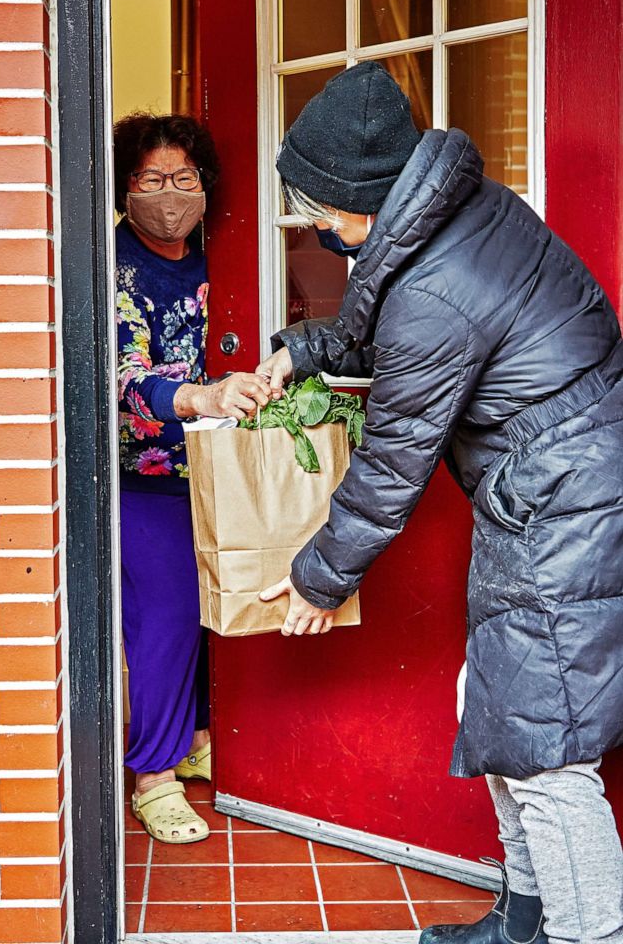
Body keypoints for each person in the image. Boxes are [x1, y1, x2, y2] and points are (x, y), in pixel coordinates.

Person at [256, 62, 623, 944]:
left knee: (550, 749)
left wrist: (317, 578)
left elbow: (392, 464)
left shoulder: (434, 286)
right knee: (504, 705)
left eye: (315, 208)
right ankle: (525, 921)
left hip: (565, 505)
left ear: (361, 200)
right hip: (552, 489)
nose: (310, 223)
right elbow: (387, 327)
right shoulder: (454, 214)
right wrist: (307, 351)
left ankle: (585, 934)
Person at [114, 113, 270, 844]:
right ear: (125, 186)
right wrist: (199, 398)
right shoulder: (114, 265)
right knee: (167, 618)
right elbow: (125, 375)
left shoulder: (225, 254)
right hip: (140, 473)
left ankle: (197, 735)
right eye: (152, 180)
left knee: (215, 604)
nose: (170, 194)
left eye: (184, 178)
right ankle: (152, 775)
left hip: (218, 464)